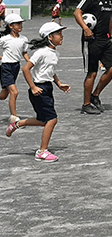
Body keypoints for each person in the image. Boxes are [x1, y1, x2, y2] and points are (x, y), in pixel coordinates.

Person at [5, 22, 70, 162]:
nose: (61, 36)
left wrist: (58, 83)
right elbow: (26, 69)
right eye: (58, 34)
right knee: (52, 119)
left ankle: (17, 124)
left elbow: (50, 71)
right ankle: (42, 151)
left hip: (47, 88)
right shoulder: (41, 52)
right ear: (50, 37)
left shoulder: (54, 53)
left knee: (43, 121)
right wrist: (33, 87)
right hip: (39, 89)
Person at [74, 0, 112, 115]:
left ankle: (95, 95)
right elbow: (77, 12)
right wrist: (86, 28)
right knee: (92, 72)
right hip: (91, 40)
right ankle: (86, 104)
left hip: (105, 39)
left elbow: (109, 19)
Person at [0, 13, 30, 124]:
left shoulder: (23, 39)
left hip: (15, 67)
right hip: (6, 67)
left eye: (21, 23)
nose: (20, 25)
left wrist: (31, 62)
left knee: (4, 95)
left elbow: (24, 53)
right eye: (17, 24)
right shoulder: (4, 39)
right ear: (10, 26)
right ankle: (14, 117)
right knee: (14, 92)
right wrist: (1, 57)